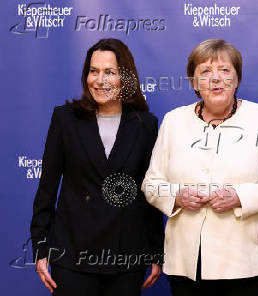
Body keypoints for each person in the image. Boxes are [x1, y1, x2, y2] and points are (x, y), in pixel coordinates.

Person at [142, 39, 258, 296]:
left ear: (237, 80)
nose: (216, 79)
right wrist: (177, 196)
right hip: (188, 266)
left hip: (250, 266)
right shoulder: (173, 121)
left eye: (225, 71)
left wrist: (239, 197)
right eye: (205, 72)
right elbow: (151, 184)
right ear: (194, 82)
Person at [30, 38, 164, 296]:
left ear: (125, 76)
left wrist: (156, 251)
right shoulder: (65, 119)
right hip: (72, 256)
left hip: (126, 257)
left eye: (109, 72)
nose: (99, 80)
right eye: (94, 71)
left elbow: (148, 193)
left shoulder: (145, 124)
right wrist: (41, 248)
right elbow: (46, 190)